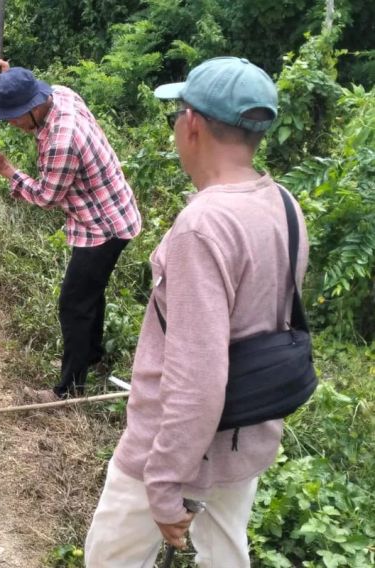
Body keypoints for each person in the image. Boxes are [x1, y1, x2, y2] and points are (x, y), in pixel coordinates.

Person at [83, 57, 309, 566]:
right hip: (247, 436)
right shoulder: (285, 206)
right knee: (226, 554)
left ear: (191, 124)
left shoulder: (201, 228)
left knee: (108, 559)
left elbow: (198, 375)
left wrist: (163, 482)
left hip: (175, 449)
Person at [0, 59, 141, 402]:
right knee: (90, 292)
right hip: (115, 210)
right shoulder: (61, 95)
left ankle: (68, 391)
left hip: (103, 225)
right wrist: (7, 77)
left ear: (34, 108)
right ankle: (93, 355)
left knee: (74, 302)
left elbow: (45, 197)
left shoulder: (61, 140)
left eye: (14, 115)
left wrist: (8, 170)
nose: (10, 122)